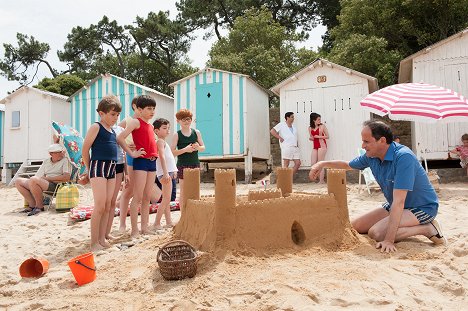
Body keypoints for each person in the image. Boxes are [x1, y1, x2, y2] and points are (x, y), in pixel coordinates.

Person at [309, 120, 446, 253]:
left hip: (421, 207)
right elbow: (347, 165)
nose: (363, 146)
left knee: (377, 233)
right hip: (395, 204)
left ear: (382, 140)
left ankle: (427, 229)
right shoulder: (371, 156)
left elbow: (399, 201)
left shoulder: (404, 157)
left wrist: (389, 240)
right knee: (354, 226)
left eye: (366, 141)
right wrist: (322, 164)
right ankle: (404, 227)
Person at [81, 95, 126, 251]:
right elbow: (85, 150)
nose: (115, 118)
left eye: (117, 115)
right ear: (101, 113)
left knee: (107, 205)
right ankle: (94, 242)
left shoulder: (113, 131)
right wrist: (88, 170)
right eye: (112, 114)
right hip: (98, 166)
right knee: (99, 205)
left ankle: (101, 238)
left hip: (112, 167)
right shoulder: (96, 127)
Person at [117, 95, 158, 238]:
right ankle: (134, 230)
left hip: (152, 162)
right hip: (140, 162)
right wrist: (131, 153)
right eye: (149, 108)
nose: (152, 111)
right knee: (138, 196)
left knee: (147, 196)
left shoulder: (151, 126)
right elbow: (120, 137)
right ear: (139, 109)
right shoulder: (135, 122)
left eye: (153, 108)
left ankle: (144, 228)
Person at [15, 144, 71, 216]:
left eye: (61, 152)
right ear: (51, 154)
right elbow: (38, 175)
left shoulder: (65, 160)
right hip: (45, 183)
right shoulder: (46, 161)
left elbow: (66, 177)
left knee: (33, 179)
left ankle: (39, 206)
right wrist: (34, 181)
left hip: (57, 186)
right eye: (58, 152)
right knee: (18, 181)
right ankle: (32, 205)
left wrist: (48, 178)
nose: (61, 154)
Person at [171, 109, 205, 212]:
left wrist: (197, 147)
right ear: (178, 121)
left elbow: (203, 147)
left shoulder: (196, 132)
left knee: (195, 189)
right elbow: (172, 152)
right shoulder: (176, 135)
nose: (186, 121)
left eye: (188, 119)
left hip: (195, 164)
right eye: (183, 119)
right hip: (182, 165)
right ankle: (183, 215)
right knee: (183, 191)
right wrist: (185, 150)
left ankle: (195, 212)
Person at [152, 118, 178, 230]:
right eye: (164, 128)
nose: (167, 130)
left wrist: (174, 170)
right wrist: (166, 173)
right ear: (156, 131)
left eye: (168, 128)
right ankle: (156, 223)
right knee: (166, 199)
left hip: (168, 172)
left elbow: (169, 158)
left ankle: (168, 221)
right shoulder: (160, 142)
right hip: (165, 173)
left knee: (166, 199)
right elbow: (162, 156)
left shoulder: (163, 142)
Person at [308, 112, 329, 183]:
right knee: (313, 163)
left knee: (320, 163)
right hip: (315, 146)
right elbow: (312, 137)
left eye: (320, 119)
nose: (320, 121)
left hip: (322, 146)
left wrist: (318, 136)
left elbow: (327, 136)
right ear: (314, 120)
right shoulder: (310, 128)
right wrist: (311, 138)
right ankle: (315, 177)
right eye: (318, 119)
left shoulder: (322, 126)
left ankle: (321, 180)